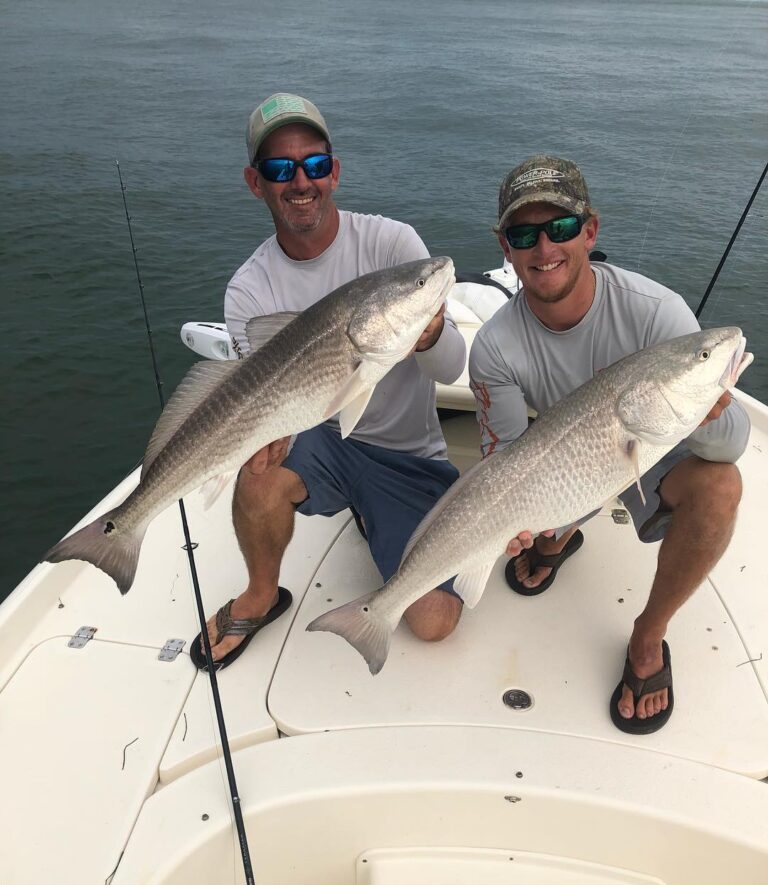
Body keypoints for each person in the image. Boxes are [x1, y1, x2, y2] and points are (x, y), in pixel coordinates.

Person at [468, 155, 750, 734]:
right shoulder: (494, 346)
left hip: (659, 444)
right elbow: (508, 458)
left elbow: (733, 444)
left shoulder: (658, 313)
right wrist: (515, 519)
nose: (544, 247)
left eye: (562, 228)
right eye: (525, 234)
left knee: (721, 486)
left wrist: (703, 412)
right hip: (571, 454)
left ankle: (648, 636)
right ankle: (556, 533)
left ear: (590, 231)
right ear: (506, 247)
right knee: (531, 508)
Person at [192, 93, 466, 671]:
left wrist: (428, 332)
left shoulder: (393, 248)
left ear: (334, 172)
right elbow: (258, 399)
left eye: (314, 164)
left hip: (406, 452)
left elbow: (449, 370)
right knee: (258, 472)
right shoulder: (249, 290)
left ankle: (371, 511)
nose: (300, 181)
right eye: (279, 168)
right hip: (316, 438)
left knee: (434, 622)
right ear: (254, 182)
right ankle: (262, 594)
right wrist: (253, 446)